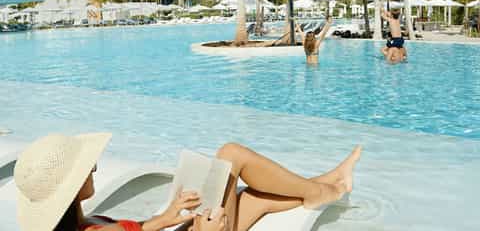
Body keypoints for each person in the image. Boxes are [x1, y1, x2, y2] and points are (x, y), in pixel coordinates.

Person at [13, 133, 361, 231]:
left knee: (258, 198)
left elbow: (140, 230)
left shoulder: (82, 225)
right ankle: (320, 190)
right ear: (72, 187)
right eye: (86, 168)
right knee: (231, 154)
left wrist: (166, 217)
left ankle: (328, 184)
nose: (93, 169)